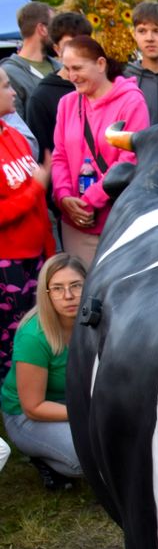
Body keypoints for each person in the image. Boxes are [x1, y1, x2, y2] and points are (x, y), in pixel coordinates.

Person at [52, 37, 149, 265]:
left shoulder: (132, 102)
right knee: (81, 284)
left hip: (118, 220)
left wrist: (91, 199)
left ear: (101, 64)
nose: (71, 76)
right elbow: (59, 156)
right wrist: (64, 197)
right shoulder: (67, 103)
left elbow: (130, 159)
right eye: (67, 69)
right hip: (76, 223)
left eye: (77, 68)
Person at [1, 253, 86, 488]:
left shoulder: (95, 319)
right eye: (57, 288)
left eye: (76, 285)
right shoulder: (34, 335)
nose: (68, 296)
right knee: (86, 458)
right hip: (27, 414)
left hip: (75, 399)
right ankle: (43, 457)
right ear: (45, 293)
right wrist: (89, 414)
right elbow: (33, 407)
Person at [0, 67, 54, 381]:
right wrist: (35, 188)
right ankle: (14, 399)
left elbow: (38, 205)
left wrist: (49, 252)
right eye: (6, 87)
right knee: (11, 345)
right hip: (8, 264)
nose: (13, 93)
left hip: (35, 257)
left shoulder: (14, 135)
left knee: (35, 333)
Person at [25, 12, 94, 161]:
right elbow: (44, 158)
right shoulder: (42, 97)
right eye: (70, 45)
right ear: (57, 49)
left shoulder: (102, 85)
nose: (77, 51)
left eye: (83, 44)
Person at [0, 2, 58, 121]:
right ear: (42, 29)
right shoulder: (9, 73)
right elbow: (15, 125)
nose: (59, 33)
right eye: (55, 27)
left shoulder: (62, 67)